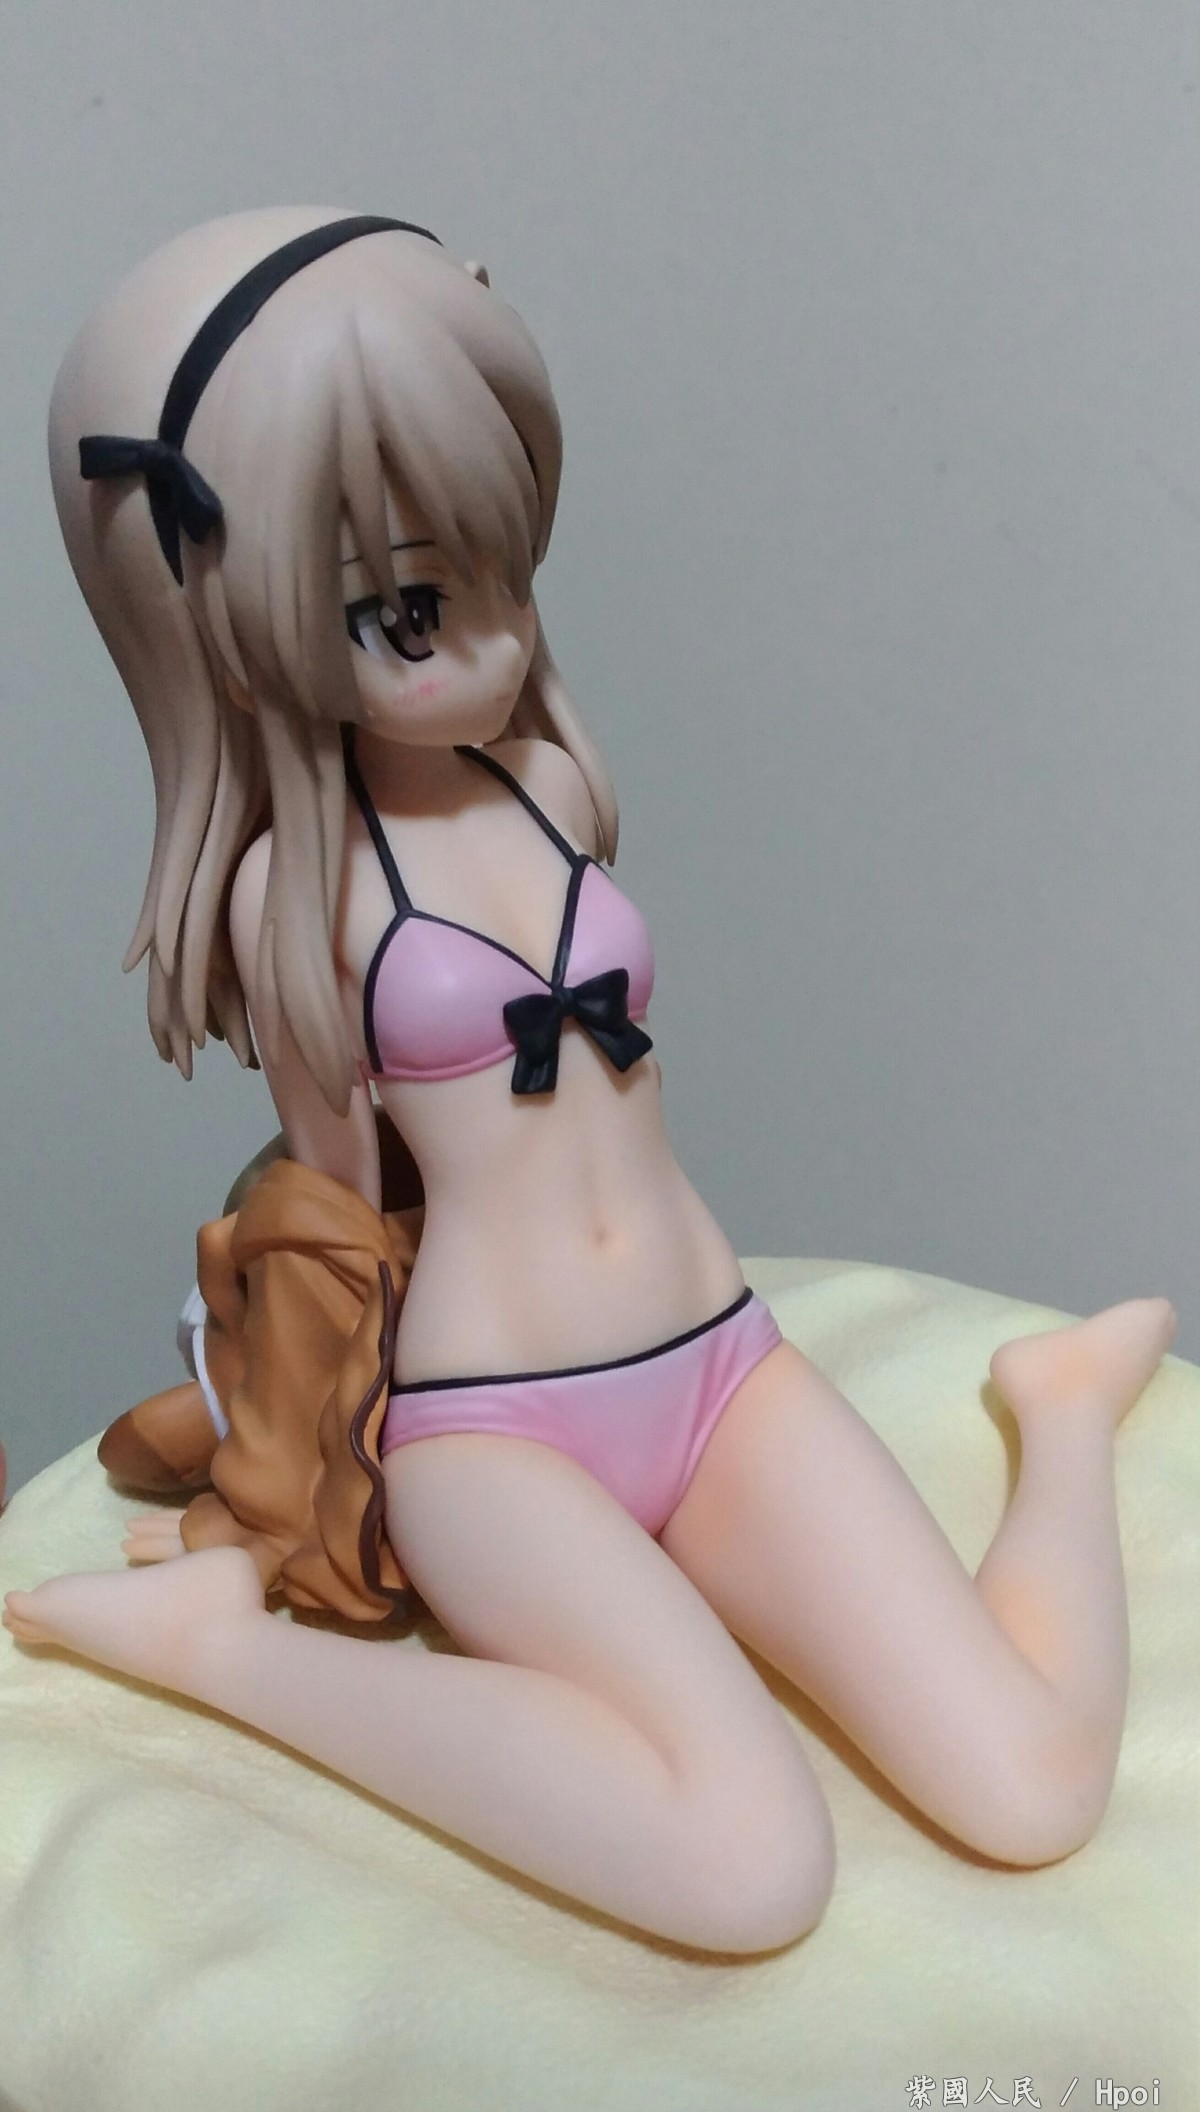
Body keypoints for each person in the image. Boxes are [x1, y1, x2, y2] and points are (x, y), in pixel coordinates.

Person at [4, 208, 1176, 1955]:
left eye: (490, 567)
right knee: (749, 1872)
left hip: (716, 1362)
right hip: (498, 1435)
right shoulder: (293, 898)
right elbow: (332, 1215)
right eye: (401, 607)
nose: (478, 643)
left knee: (1031, 1789)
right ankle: (226, 1661)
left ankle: (1058, 1410)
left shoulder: (547, 783)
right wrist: (279, 1480)